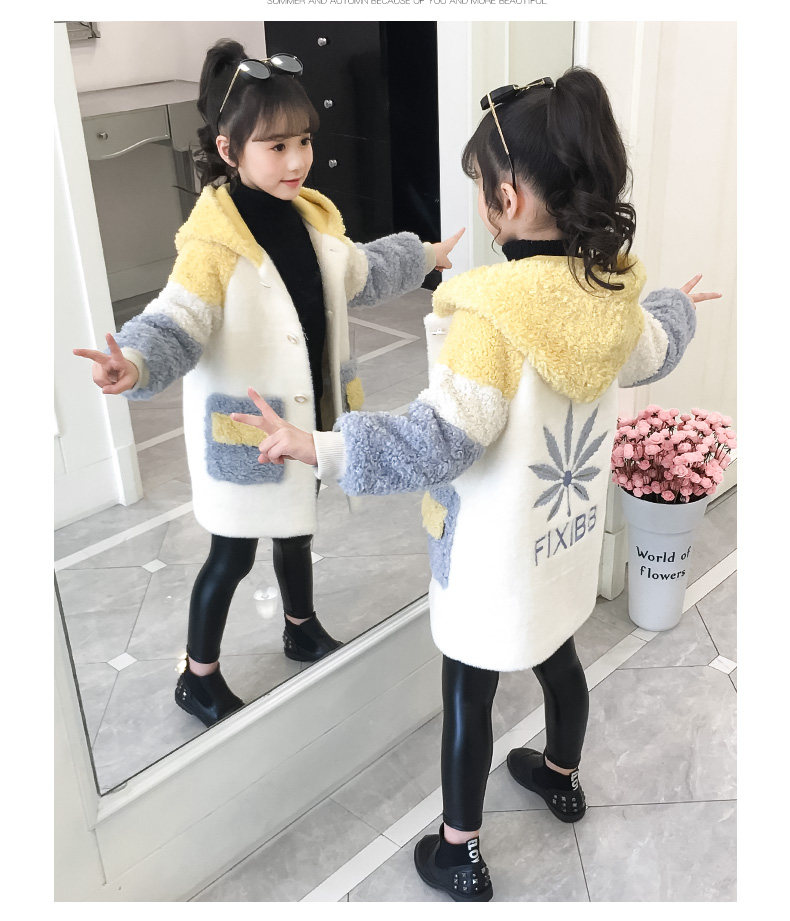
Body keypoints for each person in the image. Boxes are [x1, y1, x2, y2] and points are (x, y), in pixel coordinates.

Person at [231, 67, 722, 901]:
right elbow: (655, 344)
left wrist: (322, 445)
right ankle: (561, 774)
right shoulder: (609, 296)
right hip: (559, 545)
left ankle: (459, 848)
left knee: (470, 690)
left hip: (494, 558)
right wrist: (678, 305)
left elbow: (438, 439)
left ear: (506, 200)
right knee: (559, 655)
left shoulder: (490, 320)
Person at [73, 39, 464, 729]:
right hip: (247, 433)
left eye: (304, 140)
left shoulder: (311, 217)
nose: (296, 160)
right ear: (229, 150)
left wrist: (424, 255)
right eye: (276, 146)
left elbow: (361, 271)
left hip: (305, 421)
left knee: (295, 530)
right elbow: (175, 320)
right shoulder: (212, 245)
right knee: (230, 554)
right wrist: (133, 363)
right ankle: (197, 676)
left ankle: (300, 627)